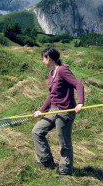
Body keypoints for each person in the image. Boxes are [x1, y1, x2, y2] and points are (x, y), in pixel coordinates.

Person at [32, 47, 84, 176]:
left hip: (66, 111)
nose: (42, 61)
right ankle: (47, 161)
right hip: (53, 110)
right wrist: (41, 111)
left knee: (64, 142)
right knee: (37, 131)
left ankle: (65, 170)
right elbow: (51, 95)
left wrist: (80, 102)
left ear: (48, 58)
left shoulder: (62, 70)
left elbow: (78, 84)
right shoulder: (51, 73)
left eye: (43, 58)